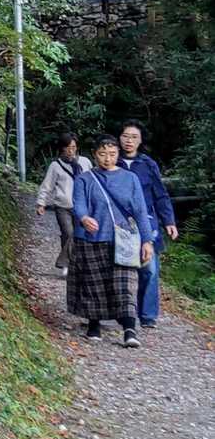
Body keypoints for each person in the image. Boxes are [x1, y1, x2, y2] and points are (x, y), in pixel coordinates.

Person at [69, 134, 156, 347]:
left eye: (112, 154)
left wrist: (147, 241)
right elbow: (78, 203)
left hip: (123, 240)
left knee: (125, 284)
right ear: (94, 155)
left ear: (118, 154)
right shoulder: (84, 179)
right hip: (92, 239)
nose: (107, 159)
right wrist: (84, 218)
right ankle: (94, 324)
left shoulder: (130, 179)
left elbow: (140, 211)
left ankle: (129, 330)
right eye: (102, 154)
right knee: (94, 283)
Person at [118, 120, 178, 328]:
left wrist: (169, 221)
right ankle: (119, 312)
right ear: (119, 138)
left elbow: (160, 194)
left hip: (147, 223)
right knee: (118, 270)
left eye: (134, 137)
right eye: (126, 136)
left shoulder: (148, 164)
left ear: (140, 140)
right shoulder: (111, 159)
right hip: (119, 223)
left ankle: (147, 315)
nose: (129, 141)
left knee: (149, 269)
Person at [35, 132, 91, 275]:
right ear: (62, 148)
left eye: (73, 147)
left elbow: (93, 181)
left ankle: (70, 264)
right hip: (63, 206)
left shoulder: (85, 162)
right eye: (67, 148)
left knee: (78, 235)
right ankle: (67, 264)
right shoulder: (56, 166)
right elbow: (47, 185)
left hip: (82, 206)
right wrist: (41, 203)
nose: (71, 151)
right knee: (68, 233)